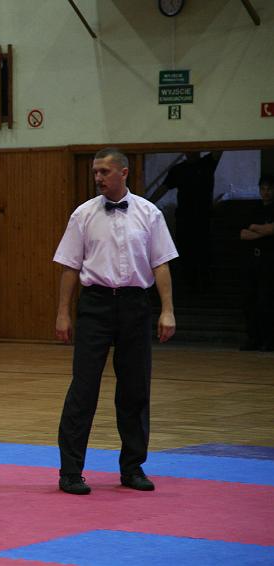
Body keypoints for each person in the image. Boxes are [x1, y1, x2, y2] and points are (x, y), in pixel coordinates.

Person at [54, 147, 178, 495]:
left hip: (136, 305)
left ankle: (133, 468)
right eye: (95, 172)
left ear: (124, 173)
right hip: (95, 305)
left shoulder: (150, 213)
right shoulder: (82, 214)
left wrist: (167, 309)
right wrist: (63, 313)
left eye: (104, 172)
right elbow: (69, 267)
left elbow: (161, 264)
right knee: (83, 389)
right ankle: (70, 472)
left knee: (135, 389)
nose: (98, 178)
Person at [149, 150, 222, 290]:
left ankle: (205, 284)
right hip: (185, 218)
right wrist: (147, 204)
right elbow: (163, 188)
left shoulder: (206, 163)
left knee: (204, 251)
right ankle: (190, 284)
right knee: (187, 252)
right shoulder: (179, 170)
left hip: (203, 218)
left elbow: (220, 148)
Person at [239, 174, 274, 351]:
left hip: (269, 261)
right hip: (253, 260)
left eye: (269, 189)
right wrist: (263, 231)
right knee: (250, 300)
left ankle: (269, 339)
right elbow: (244, 234)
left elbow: (270, 229)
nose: (266, 192)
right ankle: (254, 338)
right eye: (263, 189)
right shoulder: (254, 209)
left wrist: (256, 228)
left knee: (266, 301)